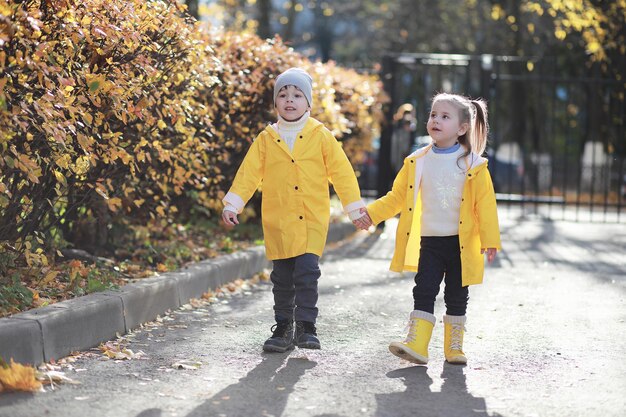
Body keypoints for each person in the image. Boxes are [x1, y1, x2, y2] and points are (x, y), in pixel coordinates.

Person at [222, 67, 370, 353]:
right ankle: (284, 327)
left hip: (311, 218)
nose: (290, 100)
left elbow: (341, 172)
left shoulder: (320, 135)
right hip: (278, 219)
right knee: (282, 277)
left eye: (297, 95)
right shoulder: (266, 138)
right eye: (283, 95)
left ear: (308, 102)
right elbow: (249, 173)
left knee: (307, 272)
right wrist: (233, 203)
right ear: (276, 103)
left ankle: (306, 326)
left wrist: (354, 209)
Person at [360, 92, 501, 365]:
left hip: (461, 243)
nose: (435, 120)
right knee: (424, 289)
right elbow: (397, 197)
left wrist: (490, 238)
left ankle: (454, 347)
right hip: (430, 242)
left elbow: (485, 205)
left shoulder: (473, 164)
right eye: (433, 114)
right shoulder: (417, 161)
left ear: (462, 128)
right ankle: (418, 344)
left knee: (457, 294)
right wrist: (371, 215)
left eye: (444, 116)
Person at [390, 104, 417, 173]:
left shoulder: (412, 122)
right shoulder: (398, 122)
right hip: (399, 145)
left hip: (408, 146)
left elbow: (413, 131)